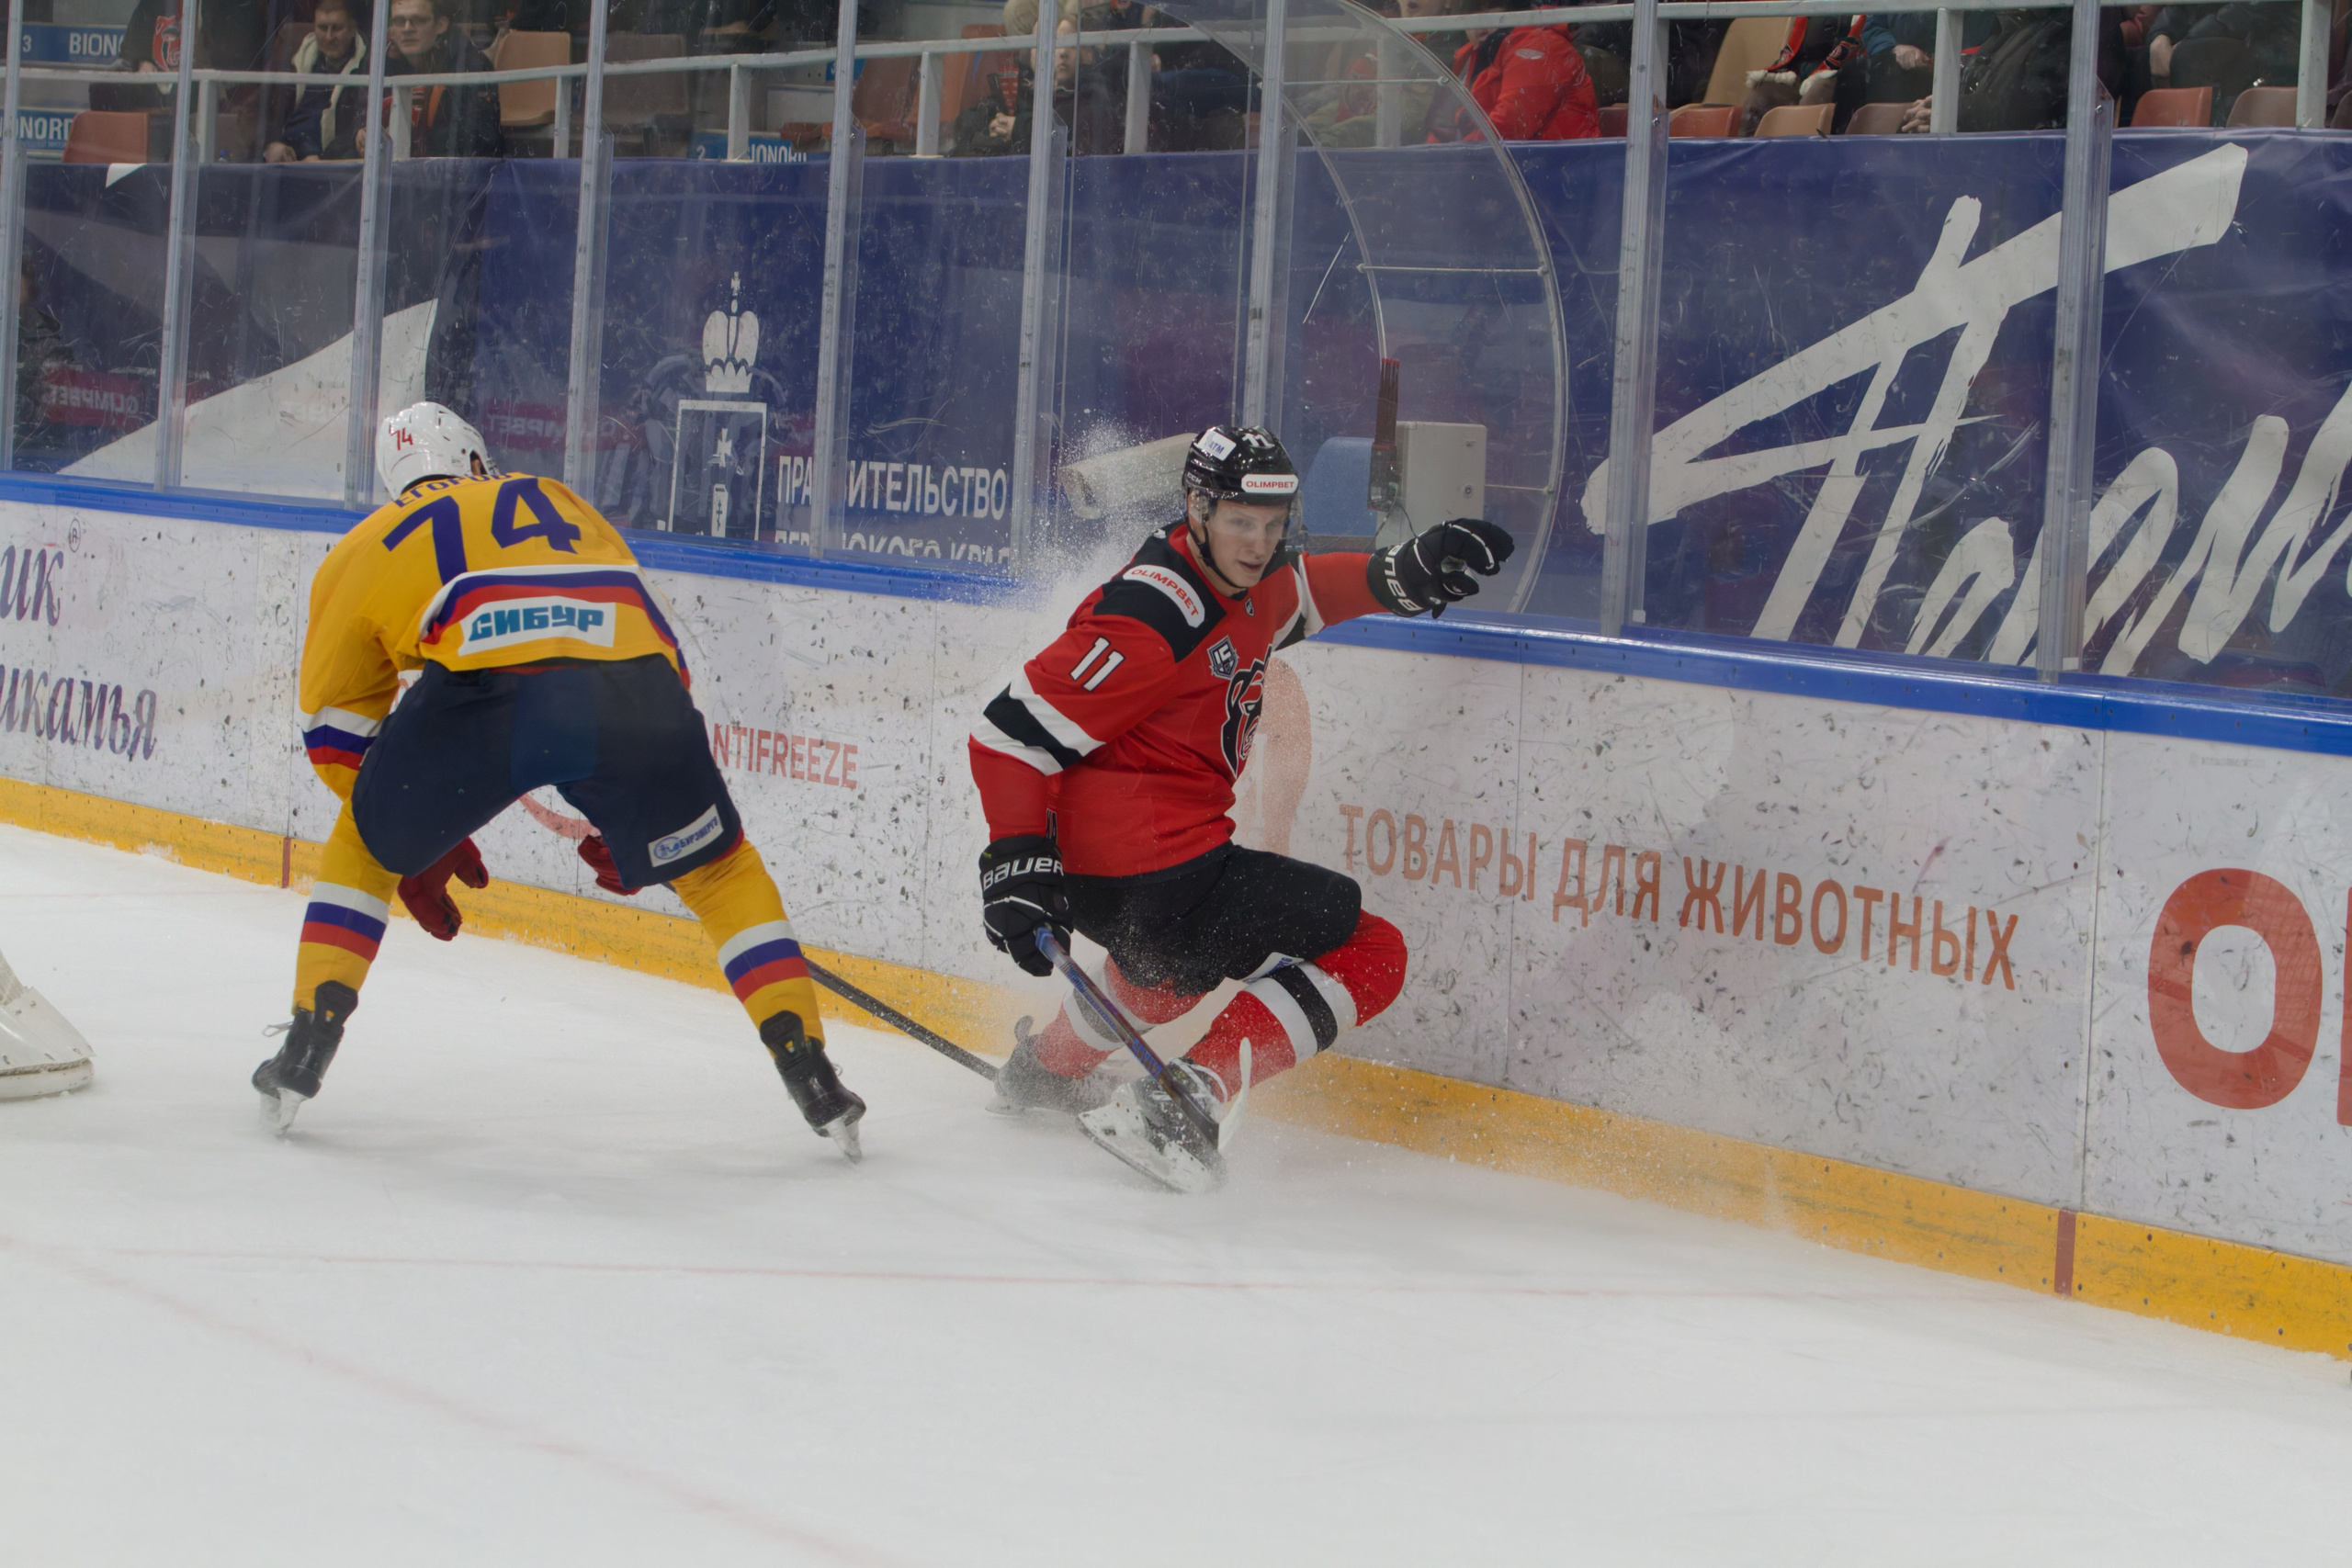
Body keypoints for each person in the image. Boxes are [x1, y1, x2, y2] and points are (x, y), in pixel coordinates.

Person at [252, 401, 864, 1159]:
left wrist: (402, 827)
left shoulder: (364, 545)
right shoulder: (555, 496)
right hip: (630, 688)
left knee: (362, 848)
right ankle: (809, 1066)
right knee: (720, 866)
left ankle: (310, 1040)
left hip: (484, 690)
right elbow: (653, 637)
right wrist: (640, 811)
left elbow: (335, 733)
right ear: (477, 461)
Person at [968, 425, 1513, 1188]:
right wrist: (1014, 862)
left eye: (1271, 524)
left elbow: (1309, 589)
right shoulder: (1150, 618)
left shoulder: (1246, 581)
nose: (1258, 543)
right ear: (1197, 507)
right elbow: (1005, 734)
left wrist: (1402, 573)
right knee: (1372, 950)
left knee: (1172, 970)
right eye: (1239, 523)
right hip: (1148, 871)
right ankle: (1183, 1096)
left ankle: (1045, 1068)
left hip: (1144, 879)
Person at [1431, 8, 1600, 142]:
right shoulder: (1470, 56)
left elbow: (1511, 124)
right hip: (1510, 168)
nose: (1479, 23)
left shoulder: (1540, 45)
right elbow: (1441, 125)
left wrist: (1456, 159)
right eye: (1471, 10)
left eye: (1490, 8)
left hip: (1557, 171)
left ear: (1514, 8)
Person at [363, 0, 503, 158]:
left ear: (441, 25)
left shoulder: (469, 65)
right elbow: (358, 110)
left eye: (419, 20)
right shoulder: (377, 63)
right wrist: (359, 135)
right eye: (399, 21)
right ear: (391, 29)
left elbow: (477, 143)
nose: (407, 29)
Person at [267, 0, 370, 163]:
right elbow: (272, 111)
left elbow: (355, 128)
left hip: (331, 163)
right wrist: (272, 143)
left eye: (336, 28)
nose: (329, 37)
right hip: (289, 156)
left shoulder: (367, 64)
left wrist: (318, 157)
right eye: (322, 28)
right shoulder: (298, 58)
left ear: (352, 29)